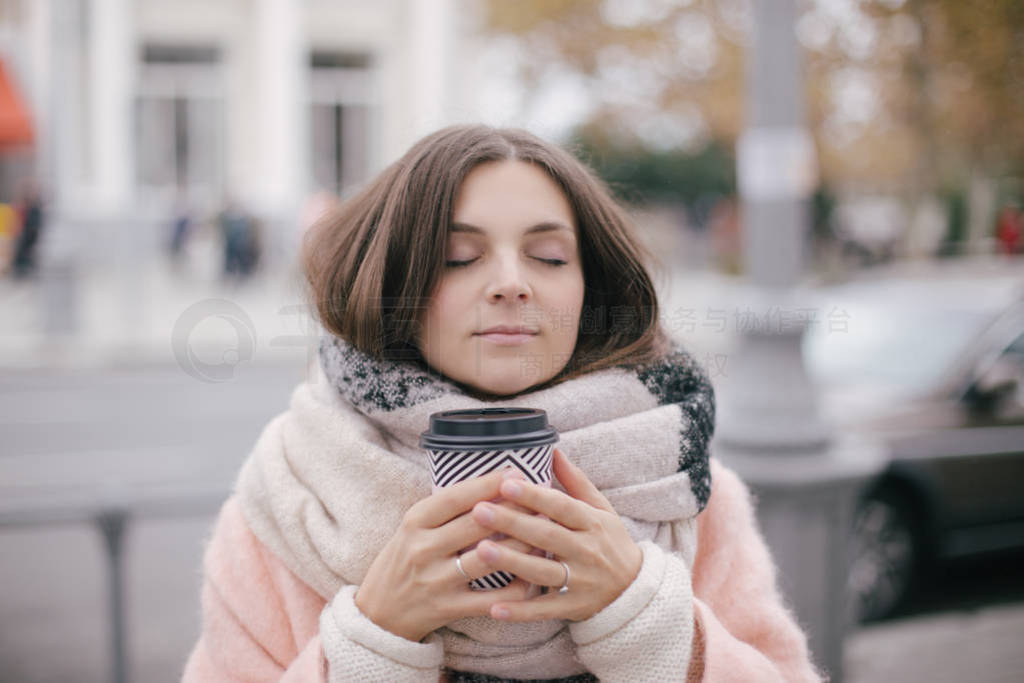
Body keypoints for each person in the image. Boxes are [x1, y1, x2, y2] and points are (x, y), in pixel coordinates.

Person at [183, 125, 824, 682]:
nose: (511, 284)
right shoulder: (289, 499)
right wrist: (372, 642)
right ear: (393, 284)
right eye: (459, 258)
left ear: (588, 286)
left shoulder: (684, 492)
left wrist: (651, 622)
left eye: (548, 257)